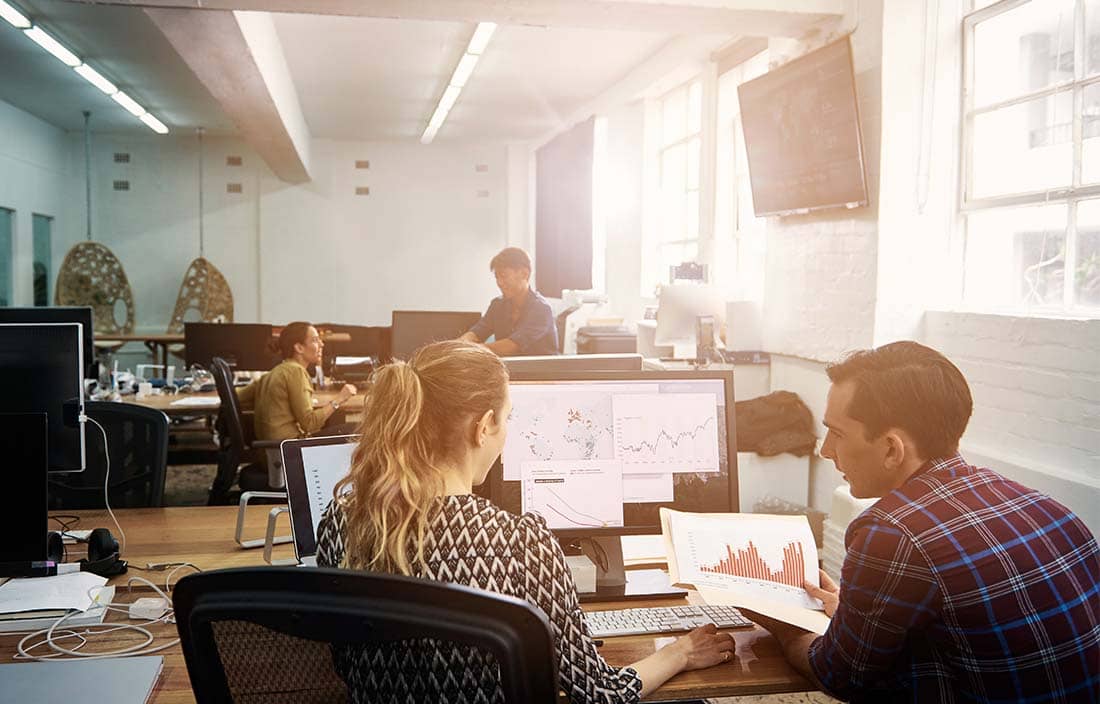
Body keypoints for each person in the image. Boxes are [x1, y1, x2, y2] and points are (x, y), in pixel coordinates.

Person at [316, 340, 734, 702]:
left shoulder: (340, 523)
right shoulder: (519, 543)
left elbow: (343, 662)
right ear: (484, 427)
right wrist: (680, 653)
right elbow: (602, 694)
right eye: (509, 418)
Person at [747, 341, 1099, 703]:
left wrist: (781, 623)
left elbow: (839, 674)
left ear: (891, 449)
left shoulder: (891, 533)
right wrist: (850, 615)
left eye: (836, 433)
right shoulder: (1048, 508)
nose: (825, 450)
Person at [236, 321, 357, 442]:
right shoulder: (296, 372)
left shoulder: (273, 373)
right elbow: (310, 424)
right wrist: (340, 399)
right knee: (356, 429)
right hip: (288, 449)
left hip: (269, 449)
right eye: (315, 340)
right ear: (299, 348)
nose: (322, 344)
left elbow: (237, 396)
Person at [460, 246, 558, 356]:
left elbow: (513, 345)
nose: (500, 283)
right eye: (497, 277)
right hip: (509, 370)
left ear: (525, 274)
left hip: (541, 372)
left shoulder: (541, 309)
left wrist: (470, 350)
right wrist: (458, 345)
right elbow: (477, 332)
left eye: (503, 276)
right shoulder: (497, 305)